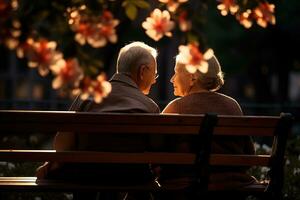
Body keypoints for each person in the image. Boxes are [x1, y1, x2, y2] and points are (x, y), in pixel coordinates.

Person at [36, 41, 160, 199]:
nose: (155, 80)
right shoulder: (149, 107)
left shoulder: (88, 96)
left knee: (84, 172)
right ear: (142, 71)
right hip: (129, 177)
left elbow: (62, 144)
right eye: (154, 74)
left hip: (85, 175)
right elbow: (156, 148)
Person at [159, 54, 256, 200]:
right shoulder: (232, 105)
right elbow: (248, 152)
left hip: (186, 187)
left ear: (192, 77)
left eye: (176, 72)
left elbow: (156, 148)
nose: (172, 78)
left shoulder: (176, 107)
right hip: (231, 187)